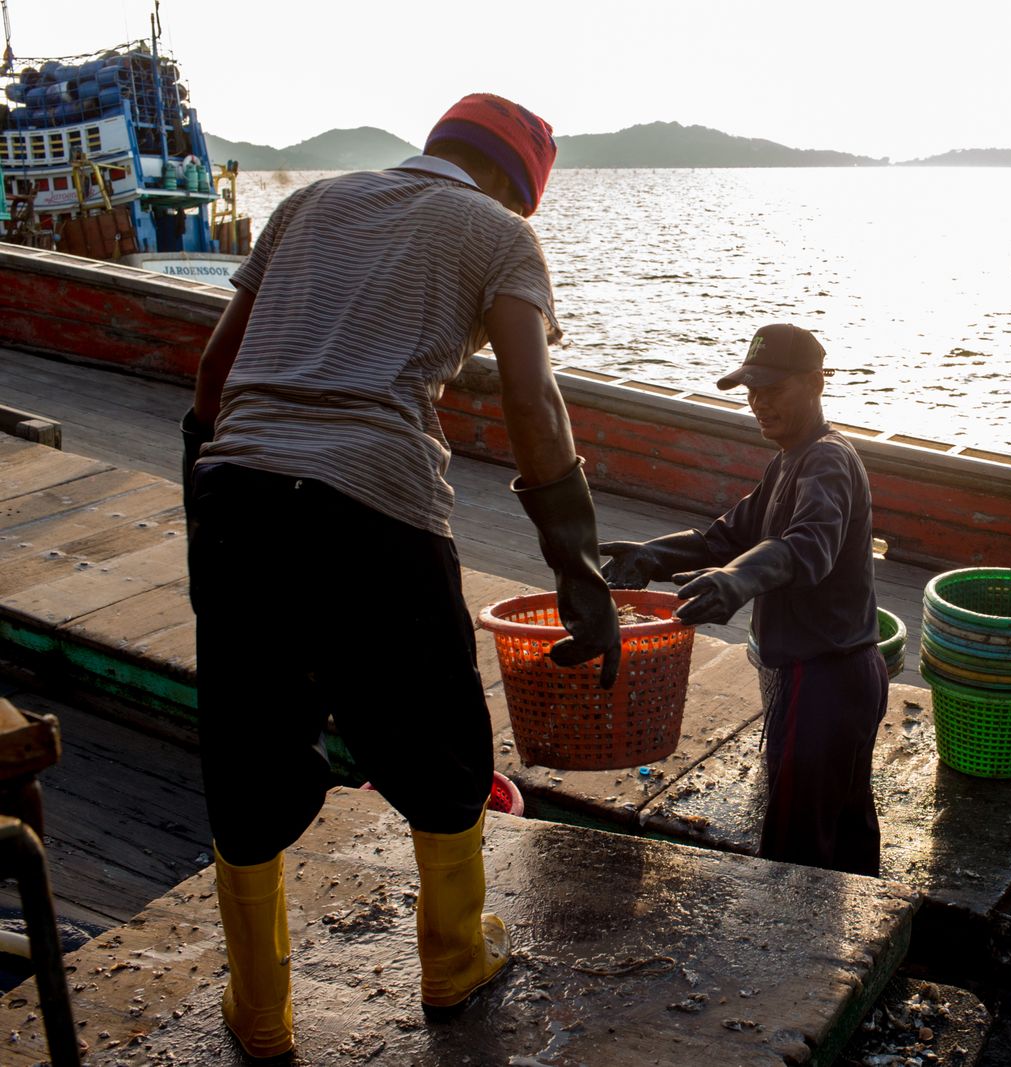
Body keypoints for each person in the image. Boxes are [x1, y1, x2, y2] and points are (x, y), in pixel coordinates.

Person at [181, 94, 621, 1059]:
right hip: (376, 510)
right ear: (518, 185)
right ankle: (454, 960)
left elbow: (216, 368)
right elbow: (531, 396)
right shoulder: (498, 233)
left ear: (439, 146)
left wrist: (208, 499)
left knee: (247, 747)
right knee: (437, 734)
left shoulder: (311, 203)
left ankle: (260, 1010)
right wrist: (577, 561)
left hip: (239, 497)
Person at [600, 324, 888, 876]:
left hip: (822, 679)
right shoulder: (789, 462)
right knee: (847, 830)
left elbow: (809, 547)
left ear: (814, 384)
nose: (758, 403)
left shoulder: (827, 460)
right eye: (750, 391)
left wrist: (736, 582)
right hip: (845, 672)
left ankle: (792, 955)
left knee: (795, 852)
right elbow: (725, 538)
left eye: (772, 390)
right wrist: (650, 555)